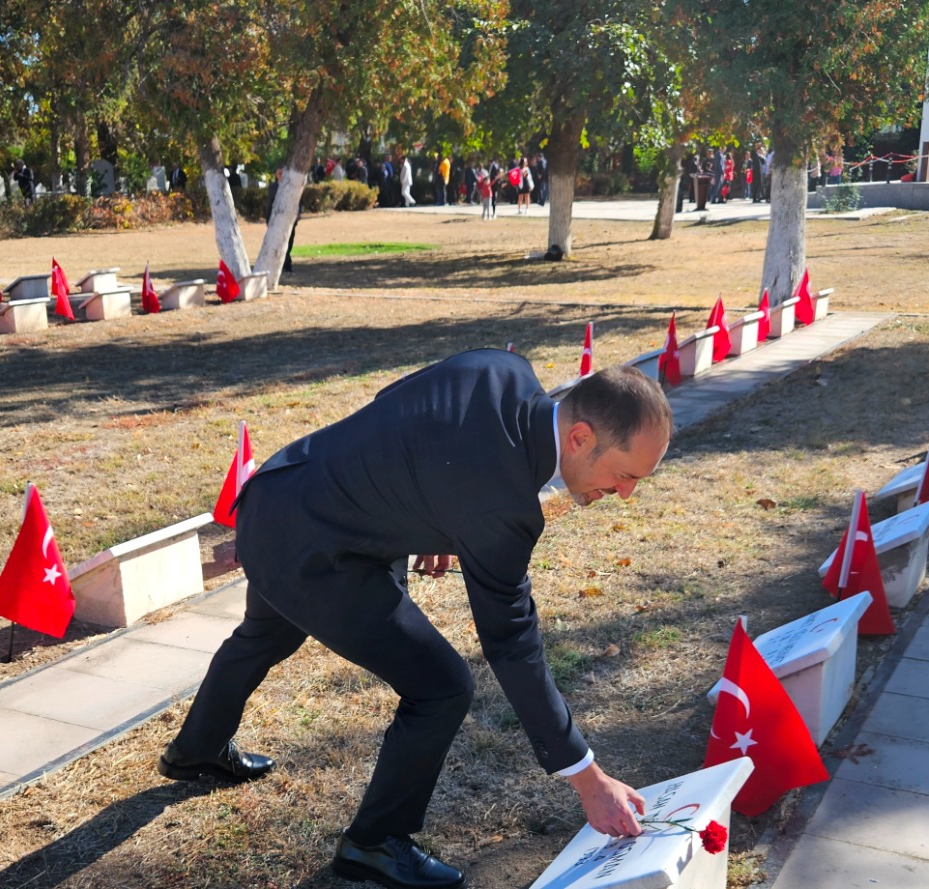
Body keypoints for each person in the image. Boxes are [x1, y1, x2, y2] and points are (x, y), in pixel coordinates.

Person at [159, 355, 671, 889]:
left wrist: (430, 513)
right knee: (442, 687)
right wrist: (588, 778)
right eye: (625, 475)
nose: (626, 493)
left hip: (279, 495)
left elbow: (400, 404)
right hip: (318, 552)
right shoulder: (502, 506)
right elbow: (512, 643)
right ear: (581, 438)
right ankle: (374, 842)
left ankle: (196, 749)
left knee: (266, 633)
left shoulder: (501, 369)